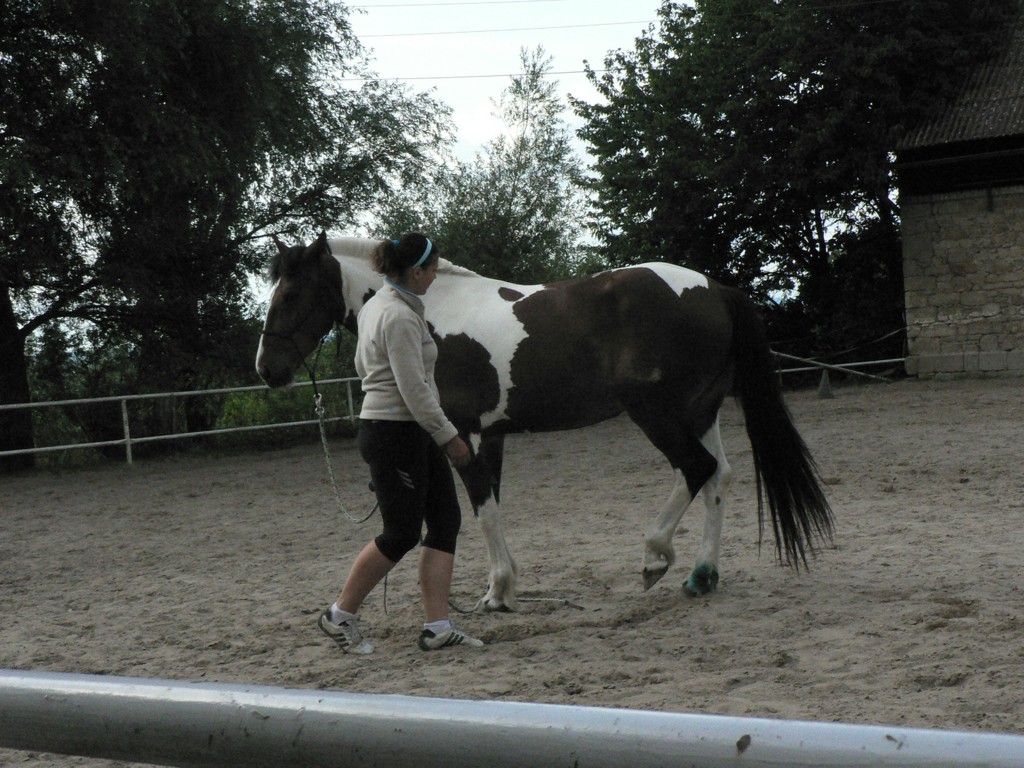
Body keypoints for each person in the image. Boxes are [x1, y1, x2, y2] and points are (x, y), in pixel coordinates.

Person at [317, 233, 483, 653]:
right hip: (396, 431)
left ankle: (438, 627)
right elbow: (414, 390)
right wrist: (450, 439)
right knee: (401, 533)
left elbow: (364, 367)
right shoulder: (399, 317)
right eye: (433, 269)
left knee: (445, 522)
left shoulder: (378, 305)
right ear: (416, 271)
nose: (435, 276)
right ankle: (339, 615)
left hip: (407, 428)